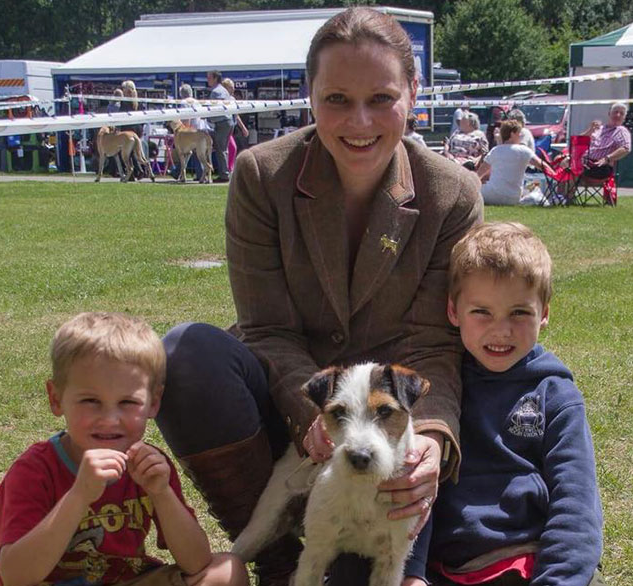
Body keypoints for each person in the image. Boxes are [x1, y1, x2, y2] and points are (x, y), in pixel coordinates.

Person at [155, 7, 483, 586]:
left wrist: (428, 437)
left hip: (387, 433)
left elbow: (436, 343)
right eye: (336, 99)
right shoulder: (260, 174)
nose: (359, 121)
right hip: (296, 403)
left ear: (414, 92)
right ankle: (274, 558)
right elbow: (265, 327)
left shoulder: (453, 195)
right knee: (186, 354)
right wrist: (314, 415)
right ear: (309, 96)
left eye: (382, 98)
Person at [405, 222, 604, 586]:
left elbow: (576, 505)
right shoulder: (440, 389)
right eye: (481, 312)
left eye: (519, 313)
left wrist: (557, 580)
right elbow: (416, 485)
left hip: (521, 562)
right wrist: (411, 572)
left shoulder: (556, 396)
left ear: (544, 312)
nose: (501, 331)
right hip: (440, 567)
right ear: (453, 311)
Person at [0, 312, 249, 586]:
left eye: (127, 402)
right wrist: (79, 495)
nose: (110, 419)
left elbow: (196, 561)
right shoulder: (35, 470)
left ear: (153, 402)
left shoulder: (149, 467)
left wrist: (162, 494)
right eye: (91, 400)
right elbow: (15, 576)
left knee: (226, 570)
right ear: (56, 399)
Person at [477, 120, 553, 205]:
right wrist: (555, 175)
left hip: (490, 196)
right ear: (512, 134)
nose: (521, 136)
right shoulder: (524, 151)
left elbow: (479, 174)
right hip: (512, 198)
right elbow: (542, 166)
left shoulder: (495, 151)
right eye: (519, 133)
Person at [580, 102, 631, 179]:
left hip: (599, 166)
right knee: (562, 160)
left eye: (621, 113)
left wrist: (607, 158)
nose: (618, 115)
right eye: (615, 112)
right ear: (609, 113)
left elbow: (626, 148)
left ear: (624, 117)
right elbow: (577, 141)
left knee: (567, 167)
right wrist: (590, 130)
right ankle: (564, 190)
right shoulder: (599, 128)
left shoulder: (621, 131)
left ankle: (563, 190)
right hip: (583, 161)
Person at [206, 70, 235, 183]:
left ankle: (224, 175)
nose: (207, 80)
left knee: (220, 149)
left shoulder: (216, 92)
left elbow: (216, 110)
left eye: (209, 77)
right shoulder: (224, 91)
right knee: (224, 149)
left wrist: (208, 118)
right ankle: (226, 172)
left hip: (222, 123)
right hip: (228, 122)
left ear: (215, 78)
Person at [221, 78, 250, 173]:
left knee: (232, 148)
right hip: (223, 128)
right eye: (231, 88)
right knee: (232, 148)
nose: (233, 90)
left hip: (231, 128)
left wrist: (243, 128)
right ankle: (229, 169)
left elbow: (236, 115)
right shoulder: (222, 99)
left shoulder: (232, 99)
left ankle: (230, 168)